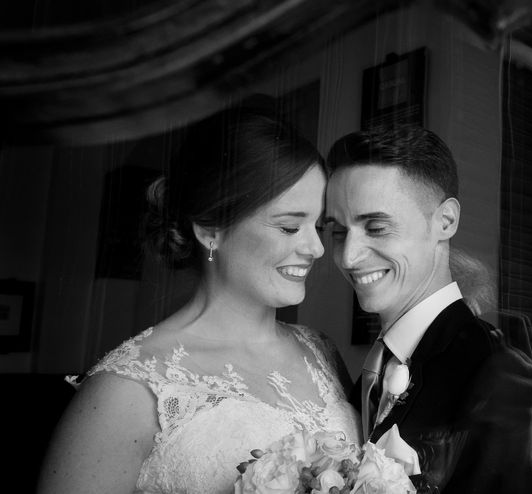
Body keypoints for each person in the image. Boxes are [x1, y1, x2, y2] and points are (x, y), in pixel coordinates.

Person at [38, 96, 359, 494]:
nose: (316, 248)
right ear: (210, 231)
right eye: (290, 227)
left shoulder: (321, 353)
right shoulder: (129, 389)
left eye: (319, 226)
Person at [325, 126, 532, 494]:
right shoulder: (374, 365)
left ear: (445, 221)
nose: (347, 256)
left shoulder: (495, 373)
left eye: (375, 227)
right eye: (338, 231)